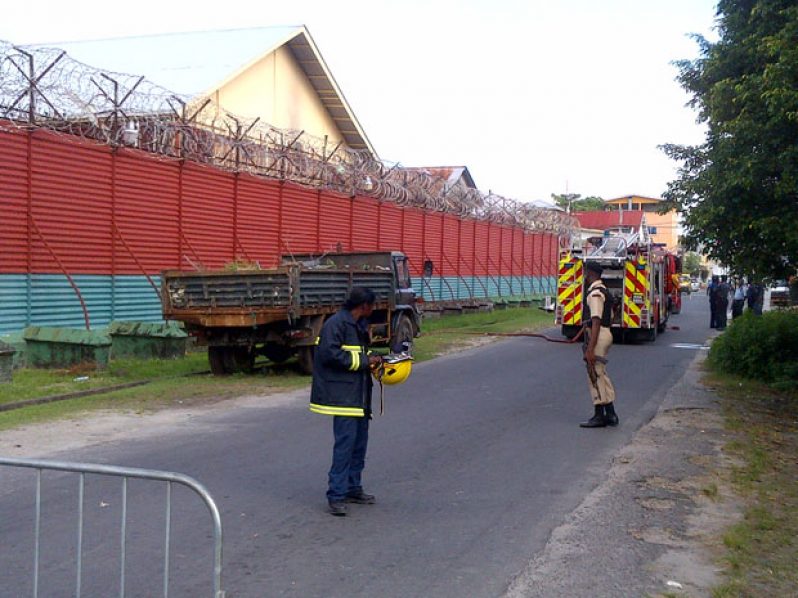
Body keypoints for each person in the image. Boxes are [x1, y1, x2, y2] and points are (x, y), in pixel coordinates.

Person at [309, 287, 383, 516]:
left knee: (359, 445)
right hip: (343, 398)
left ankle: (353, 487)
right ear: (364, 306)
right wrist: (363, 361)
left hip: (359, 397)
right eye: (372, 306)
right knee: (345, 446)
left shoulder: (358, 325)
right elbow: (328, 355)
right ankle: (336, 495)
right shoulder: (336, 324)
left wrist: (375, 362)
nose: (373, 310)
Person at [579, 261, 618, 428]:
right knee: (601, 373)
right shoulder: (604, 291)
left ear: (591, 273)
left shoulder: (595, 293)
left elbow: (596, 321)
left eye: (586, 272)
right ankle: (610, 413)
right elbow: (612, 314)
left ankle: (599, 415)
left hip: (598, 334)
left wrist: (590, 348)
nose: (585, 276)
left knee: (594, 374)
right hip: (604, 333)